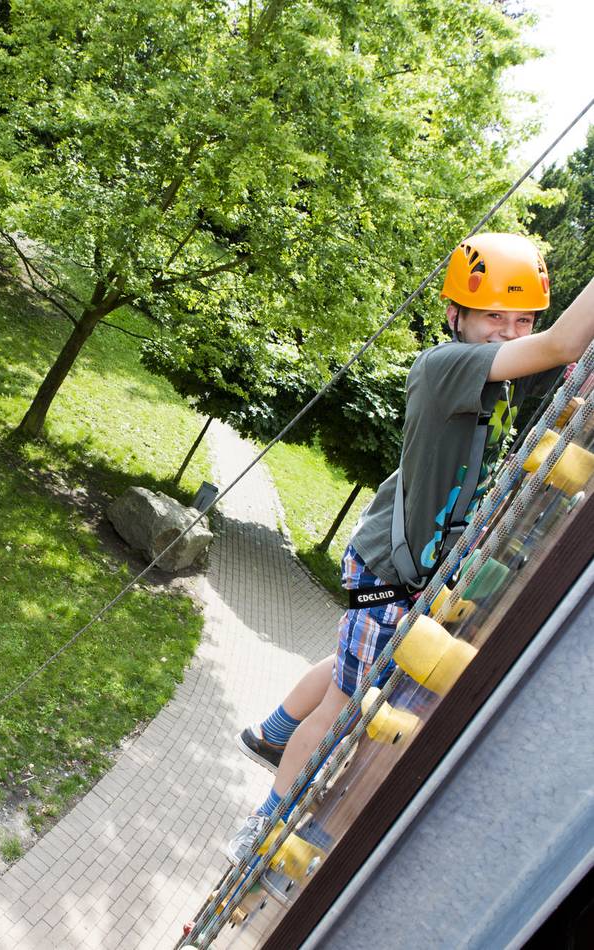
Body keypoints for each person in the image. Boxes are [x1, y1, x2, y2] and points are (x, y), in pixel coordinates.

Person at [228, 234, 594, 863]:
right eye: (492, 318)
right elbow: (565, 344)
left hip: (398, 564)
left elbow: (564, 367)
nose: (508, 333)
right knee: (349, 696)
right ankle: (264, 824)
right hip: (387, 565)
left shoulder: (499, 378)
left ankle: (274, 728)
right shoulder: (447, 366)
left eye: (521, 320)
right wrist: (556, 335)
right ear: (456, 315)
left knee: (352, 654)